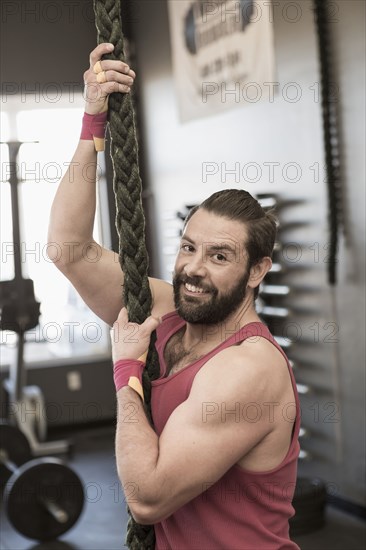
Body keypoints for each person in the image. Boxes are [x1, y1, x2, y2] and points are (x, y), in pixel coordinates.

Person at [49, 43, 300, 550]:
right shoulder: (165, 310)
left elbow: (148, 498)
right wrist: (91, 122)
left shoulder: (247, 368)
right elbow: (68, 249)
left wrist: (127, 374)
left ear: (258, 271)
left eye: (220, 256)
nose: (194, 270)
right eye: (189, 247)